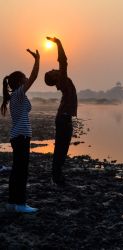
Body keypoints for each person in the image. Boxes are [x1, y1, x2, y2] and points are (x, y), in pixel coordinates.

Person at [1, 49, 40, 213]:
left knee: (17, 170)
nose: (27, 80)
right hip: (21, 137)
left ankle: (12, 203)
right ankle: (21, 204)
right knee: (21, 172)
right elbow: (34, 77)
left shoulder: (17, 96)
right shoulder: (18, 94)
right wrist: (37, 60)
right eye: (24, 78)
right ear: (19, 82)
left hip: (19, 136)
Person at [44, 37, 78, 186]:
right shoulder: (62, 80)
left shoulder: (62, 81)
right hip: (64, 119)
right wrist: (58, 43)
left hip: (63, 118)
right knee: (61, 150)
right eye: (52, 71)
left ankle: (57, 177)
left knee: (61, 149)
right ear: (54, 76)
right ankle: (57, 178)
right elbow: (63, 61)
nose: (54, 69)